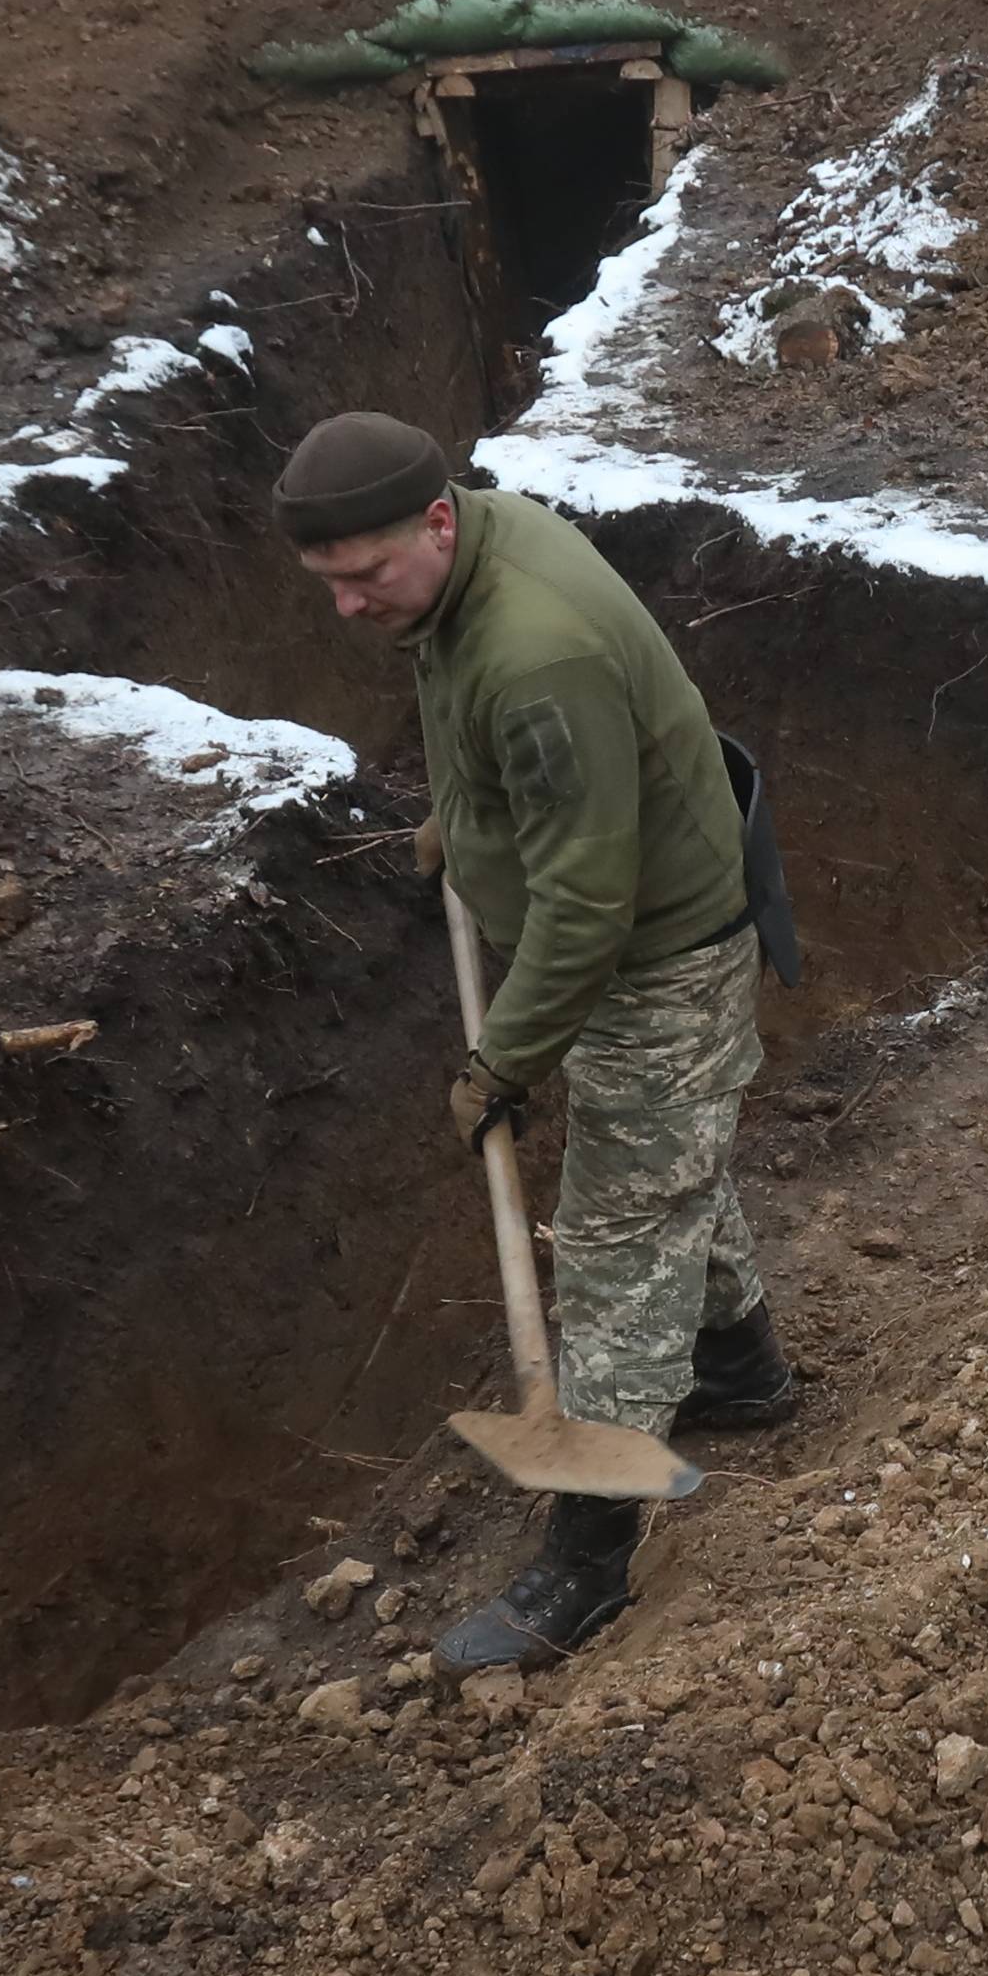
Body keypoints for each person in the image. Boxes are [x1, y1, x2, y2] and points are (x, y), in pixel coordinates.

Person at [277, 411, 796, 1672]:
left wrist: (501, 1060)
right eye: (328, 582)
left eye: (365, 576)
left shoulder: (536, 652)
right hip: (626, 916)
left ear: (435, 522)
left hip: (658, 953)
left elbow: (586, 906)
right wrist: (467, 818)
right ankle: (739, 1368)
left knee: (619, 1236)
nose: (347, 606)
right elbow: (478, 720)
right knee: (664, 1166)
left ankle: (591, 1556)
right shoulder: (464, 562)